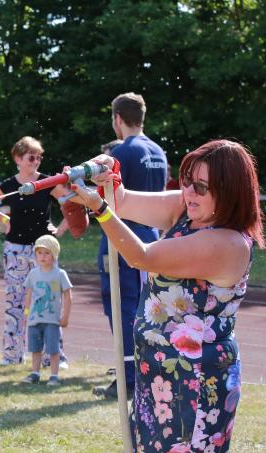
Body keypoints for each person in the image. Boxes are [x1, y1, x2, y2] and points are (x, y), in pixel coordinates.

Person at [68, 140, 265, 453]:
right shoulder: (187, 208)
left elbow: (142, 255)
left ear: (230, 191)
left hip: (195, 388)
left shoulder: (225, 243)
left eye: (202, 187)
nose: (189, 192)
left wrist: (99, 208)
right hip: (162, 379)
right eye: (188, 181)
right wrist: (109, 178)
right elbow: (122, 200)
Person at [94, 92, 167, 400]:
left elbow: (110, 199)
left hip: (122, 237)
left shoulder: (122, 152)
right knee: (147, 309)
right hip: (150, 236)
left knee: (122, 309)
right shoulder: (158, 151)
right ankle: (150, 372)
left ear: (118, 119)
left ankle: (127, 380)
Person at [0, 136, 74, 365]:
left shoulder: (47, 182)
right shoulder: (9, 185)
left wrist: (61, 228)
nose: (36, 161)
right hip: (15, 249)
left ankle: (52, 356)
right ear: (18, 158)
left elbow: (72, 203)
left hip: (43, 249)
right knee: (16, 301)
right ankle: (13, 355)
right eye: (31, 157)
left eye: (39, 157)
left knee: (48, 301)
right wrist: (4, 219)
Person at [20, 235, 72, 386]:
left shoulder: (59, 274)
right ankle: (35, 373)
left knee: (53, 349)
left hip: (52, 320)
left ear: (54, 255)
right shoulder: (33, 274)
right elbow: (29, 295)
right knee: (35, 348)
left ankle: (54, 375)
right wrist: (26, 314)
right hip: (35, 319)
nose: (42, 256)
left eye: (47, 253)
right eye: (39, 252)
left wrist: (65, 316)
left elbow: (68, 296)